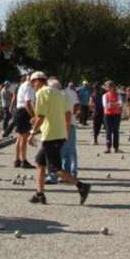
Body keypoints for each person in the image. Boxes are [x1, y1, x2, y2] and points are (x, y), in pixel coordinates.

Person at [28, 75, 91, 205]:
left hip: (51, 135)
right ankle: (40, 194)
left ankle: (81, 186)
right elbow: (64, 113)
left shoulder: (42, 92)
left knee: (55, 169)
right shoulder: (60, 94)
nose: (32, 86)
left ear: (39, 81)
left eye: (33, 83)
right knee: (40, 163)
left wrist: (32, 132)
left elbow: (40, 115)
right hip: (58, 133)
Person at [12, 72, 36, 169]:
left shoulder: (22, 85)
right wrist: (33, 116)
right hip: (24, 112)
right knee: (24, 138)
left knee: (19, 137)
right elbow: (28, 103)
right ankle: (23, 160)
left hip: (19, 111)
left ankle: (17, 159)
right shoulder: (29, 87)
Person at [61, 82, 80, 178]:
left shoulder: (68, 93)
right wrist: (73, 114)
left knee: (67, 149)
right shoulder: (72, 92)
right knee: (69, 149)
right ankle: (69, 172)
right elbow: (77, 105)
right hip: (67, 123)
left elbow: (77, 105)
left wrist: (72, 115)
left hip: (66, 123)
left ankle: (71, 172)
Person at [103, 81, 123, 153]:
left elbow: (120, 104)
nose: (107, 88)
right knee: (108, 131)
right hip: (108, 115)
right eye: (107, 86)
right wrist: (115, 104)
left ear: (112, 87)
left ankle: (116, 148)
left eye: (108, 86)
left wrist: (112, 104)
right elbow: (106, 105)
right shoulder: (105, 95)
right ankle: (108, 147)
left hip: (116, 115)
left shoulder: (118, 95)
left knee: (116, 131)